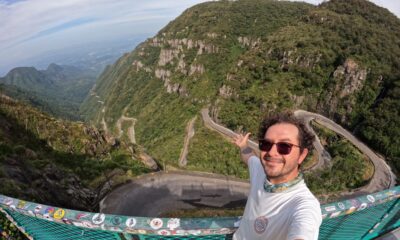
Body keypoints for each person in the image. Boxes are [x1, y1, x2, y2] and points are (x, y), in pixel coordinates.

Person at [232, 111, 322, 240]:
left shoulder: (304, 204)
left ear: (301, 155)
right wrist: (243, 146)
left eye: (284, 146)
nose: (272, 152)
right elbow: (249, 157)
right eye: (266, 144)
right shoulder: (260, 170)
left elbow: (303, 231)